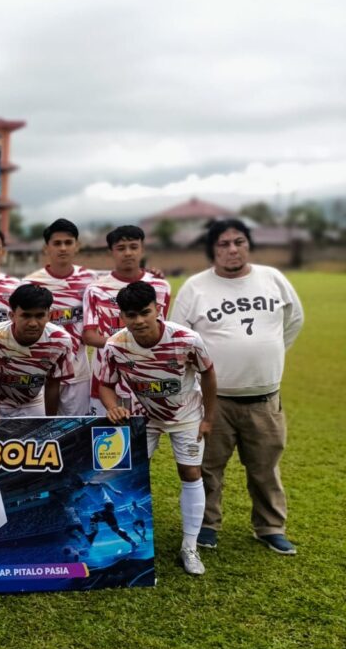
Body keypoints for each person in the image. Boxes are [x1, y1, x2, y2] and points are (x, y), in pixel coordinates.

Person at [171, 218, 304, 554]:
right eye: (224, 244)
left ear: (248, 245)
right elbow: (178, 339)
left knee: (265, 468)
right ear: (212, 249)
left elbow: (294, 320)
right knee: (208, 467)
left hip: (264, 399)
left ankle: (270, 527)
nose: (232, 249)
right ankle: (207, 525)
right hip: (214, 401)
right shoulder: (196, 287)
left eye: (239, 242)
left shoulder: (272, 279)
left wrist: (269, 353)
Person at [97, 281, 217, 575]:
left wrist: (208, 418)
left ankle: (189, 547)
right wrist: (112, 406)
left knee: (190, 472)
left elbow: (208, 374)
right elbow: (105, 385)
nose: (138, 320)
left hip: (186, 415)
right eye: (131, 315)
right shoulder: (115, 346)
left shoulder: (187, 339)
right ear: (121, 316)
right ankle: (127, 542)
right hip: (143, 418)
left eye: (144, 312)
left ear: (158, 309)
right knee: (130, 476)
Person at [83, 225, 170, 416]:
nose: (128, 253)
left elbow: (163, 330)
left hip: (147, 377)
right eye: (121, 248)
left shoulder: (160, 286)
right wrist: (125, 345)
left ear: (142, 249)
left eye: (133, 247)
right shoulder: (96, 289)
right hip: (106, 379)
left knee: (148, 432)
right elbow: (89, 336)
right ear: (111, 252)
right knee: (111, 431)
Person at [24, 218, 98, 416]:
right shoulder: (31, 283)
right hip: (42, 368)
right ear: (46, 248)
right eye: (57, 243)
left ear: (77, 246)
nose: (63, 248)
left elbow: (122, 283)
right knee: (41, 427)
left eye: (68, 242)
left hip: (78, 370)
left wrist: (152, 274)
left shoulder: (91, 279)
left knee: (75, 428)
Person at [0, 284, 75, 417]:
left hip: (33, 402)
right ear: (12, 315)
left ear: (49, 316)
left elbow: (53, 382)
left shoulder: (61, 341)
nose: (33, 323)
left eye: (40, 316)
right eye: (26, 316)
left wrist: (49, 421)